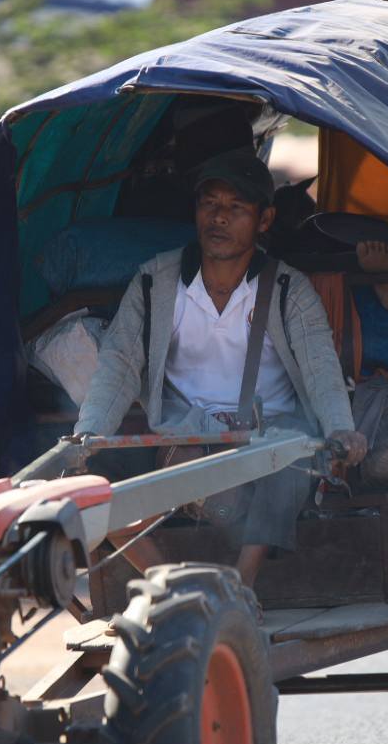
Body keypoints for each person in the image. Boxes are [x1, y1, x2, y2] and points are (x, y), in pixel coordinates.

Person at [76, 150, 367, 585]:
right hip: (187, 437)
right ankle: (165, 583)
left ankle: (241, 586)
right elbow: (119, 362)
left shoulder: (289, 289)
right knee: (96, 498)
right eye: (210, 204)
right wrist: (88, 434)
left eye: (236, 208)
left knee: (289, 462)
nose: (220, 218)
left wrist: (341, 428)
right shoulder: (156, 282)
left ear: (265, 220)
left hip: (271, 438)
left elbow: (319, 366)